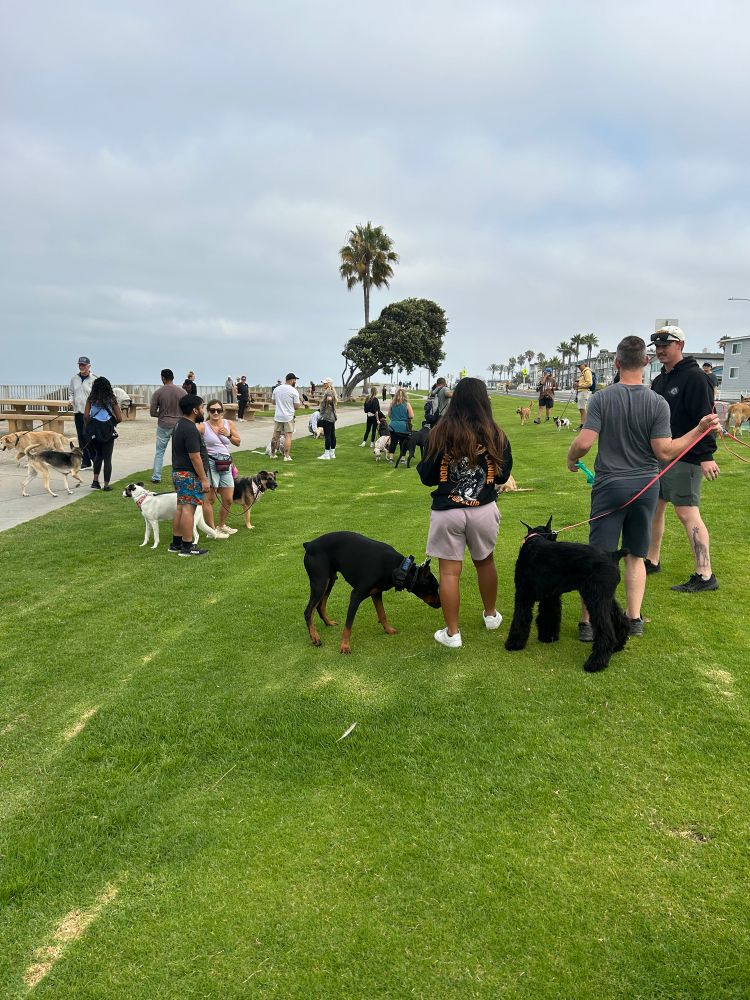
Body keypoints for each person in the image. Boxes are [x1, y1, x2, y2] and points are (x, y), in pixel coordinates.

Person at [566, 336, 720, 638]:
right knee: (636, 555)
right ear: (646, 362)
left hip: (610, 486)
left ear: (616, 363)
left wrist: (571, 458)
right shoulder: (657, 402)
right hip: (645, 488)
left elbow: (584, 443)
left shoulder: (602, 399)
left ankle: (589, 623)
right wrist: (699, 430)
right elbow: (665, 451)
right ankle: (634, 618)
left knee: (599, 556)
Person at [417, 377, 512, 648]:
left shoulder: (439, 432)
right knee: (485, 562)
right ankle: (491, 615)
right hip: (483, 509)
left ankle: (452, 633)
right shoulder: (496, 434)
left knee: (449, 572)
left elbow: (427, 476)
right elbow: (502, 474)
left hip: (448, 511)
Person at [645, 326, 720, 592]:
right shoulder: (660, 380)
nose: (660, 350)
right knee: (655, 507)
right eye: (657, 346)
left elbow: (707, 420)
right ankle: (652, 559)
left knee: (686, 511)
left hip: (687, 456)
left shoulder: (696, 378)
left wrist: (706, 456)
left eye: (666, 345)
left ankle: (705, 574)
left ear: (681, 345)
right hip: (661, 454)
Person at [168, 394, 210, 556]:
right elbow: (195, 457)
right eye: (202, 407)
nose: (203, 411)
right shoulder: (190, 429)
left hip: (179, 472)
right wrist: (204, 479)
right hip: (188, 475)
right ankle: (187, 546)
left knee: (181, 508)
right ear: (195, 410)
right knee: (188, 509)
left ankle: (176, 543)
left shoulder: (179, 424)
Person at [202, 399, 241, 536]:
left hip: (226, 464)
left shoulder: (228, 423)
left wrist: (228, 435)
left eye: (218, 410)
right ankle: (211, 530)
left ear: (222, 412)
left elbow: (238, 442)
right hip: (211, 463)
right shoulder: (203, 426)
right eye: (212, 410)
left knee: (228, 499)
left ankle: (221, 526)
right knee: (210, 499)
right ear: (208, 411)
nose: (215, 413)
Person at [83, 376, 123, 491]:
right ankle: (106, 485)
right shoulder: (112, 399)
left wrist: (88, 426)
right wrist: (112, 423)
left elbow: (85, 416)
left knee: (98, 455)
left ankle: (95, 481)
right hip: (108, 430)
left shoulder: (91, 398)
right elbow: (119, 418)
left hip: (95, 429)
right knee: (107, 458)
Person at [149, 369, 186, 483]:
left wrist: (162, 414)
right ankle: (181, 476)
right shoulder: (182, 392)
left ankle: (156, 476)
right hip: (179, 425)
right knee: (179, 452)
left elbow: (152, 412)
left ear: (163, 378)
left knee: (160, 452)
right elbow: (186, 410)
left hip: (164, 424)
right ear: (173, 377)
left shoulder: (158, 392)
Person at [68, 356, 96, 469]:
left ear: (89, 366)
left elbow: (96, 396)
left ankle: (95, 459)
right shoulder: (74, 379)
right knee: (81, 437)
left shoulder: (94, 379)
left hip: (89, 414)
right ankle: (86, 461)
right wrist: (71, 401)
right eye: (80, 365)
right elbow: (71, 392)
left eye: (83, 365)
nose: (81, 367)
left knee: (88, 436)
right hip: (78, 412)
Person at [271, 373, 301, 460]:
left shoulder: (277, 389)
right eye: (295, 380)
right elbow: (296, 406)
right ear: (292, 380)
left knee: (275, 436)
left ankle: (273, 454)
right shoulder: (294, 391)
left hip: (278, 415)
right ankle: (286, 456)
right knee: (288, 436)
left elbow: (273, 402)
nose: (295, 382)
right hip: (288, 417)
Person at [386, 388, 414, 465]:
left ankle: (391, 458)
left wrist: (394, 419)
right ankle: (402, 459)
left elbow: (389, 415)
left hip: (393, 426)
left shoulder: (392, 404)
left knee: (393, 442)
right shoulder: (407, 404)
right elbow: (411, 416)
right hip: (403, 426)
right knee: (403, 443)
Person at [317, 379, 338, 460]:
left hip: (327, 416)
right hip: (332, 417)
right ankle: (332, 453)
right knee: (332, 435)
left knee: (328, 436)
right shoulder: (332, 391)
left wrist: (326, 407)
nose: (324, 384)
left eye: (325, 383)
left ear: (329, 383)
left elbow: (329, 401)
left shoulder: (328, 392)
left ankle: (326, 454)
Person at [574, 361, 594, 430]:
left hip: (584, 391)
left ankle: (584, 425)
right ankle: (583, 424)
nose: (578, 367)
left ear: (584, 365)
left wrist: (579, 385)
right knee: (581, 409)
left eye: (579, 366)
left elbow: (589, 383)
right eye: (578, 366)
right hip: (581, 391)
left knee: (582, 409)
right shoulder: (583, 372)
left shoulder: (587, 371)